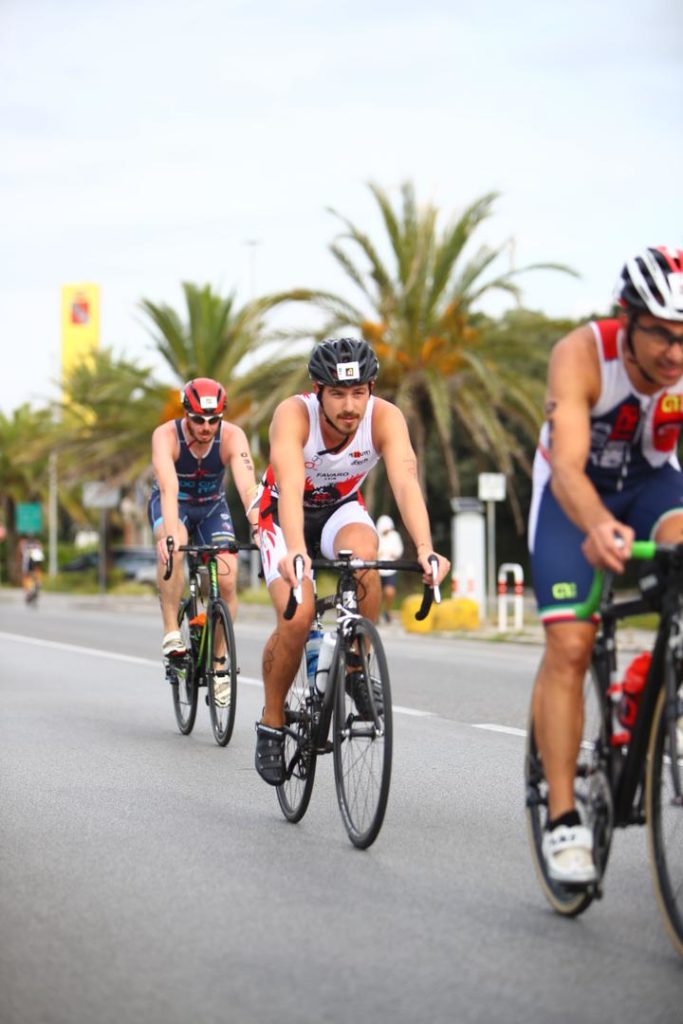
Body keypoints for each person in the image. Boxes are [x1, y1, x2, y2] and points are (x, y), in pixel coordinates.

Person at [528, 245, 683, 884]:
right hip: (573, 495)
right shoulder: (583, 353)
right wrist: (597, 525)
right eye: (663, 337)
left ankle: (643, 680)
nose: (676, 354)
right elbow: (566, 467)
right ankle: (564, 817)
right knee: (570, 642)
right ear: (628, 319)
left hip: (652, 488)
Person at [253, 336, 451, 785]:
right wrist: (297, 551)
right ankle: (271, 720)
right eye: (338, 394)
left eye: (358, 392)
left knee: (366, 554)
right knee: (299, 616)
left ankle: (357, 664)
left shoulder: (385, 418)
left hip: (339, 508)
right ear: (317, 390)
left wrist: (424, 549)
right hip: (285, 512)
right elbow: (288, 477)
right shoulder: (293, 415)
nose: (349, 406)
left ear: (371, 389)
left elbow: (404, 481)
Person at [148, 377, 259, 701]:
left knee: (227, 577)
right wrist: (169, 535)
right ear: (186, 414)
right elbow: (168, 488)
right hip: (174, 505)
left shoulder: (233, 437)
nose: (206, 427)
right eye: (198, 419)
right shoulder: (166, 436)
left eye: (214, 420)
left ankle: (219, 659)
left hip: (212, 507)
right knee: (175, 544)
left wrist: (259, 528)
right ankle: (171, 631)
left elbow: (248, 489)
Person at [376, 514, 404, 622]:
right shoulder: (376, 536)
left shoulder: (395, 536)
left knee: (389, 592)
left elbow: (398, 551)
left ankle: (387, 610)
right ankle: (376, 613)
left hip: (390, 569)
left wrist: (391, 553)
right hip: (377, 569)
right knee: (377, 593)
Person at [20, 535, 44, 604]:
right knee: (33, 578)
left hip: (29, 565)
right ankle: (34, 588)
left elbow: (21, 553)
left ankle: (31, 591)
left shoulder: (24, 544)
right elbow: (40, 555)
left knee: (28, 578)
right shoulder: (37, 544)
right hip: (33, 565)